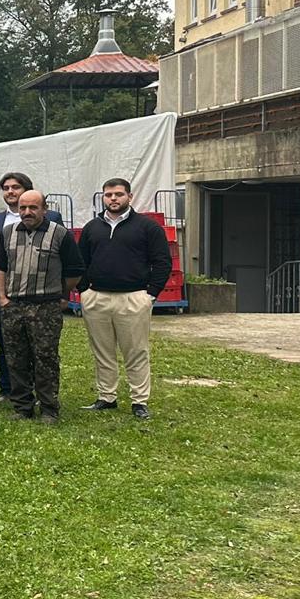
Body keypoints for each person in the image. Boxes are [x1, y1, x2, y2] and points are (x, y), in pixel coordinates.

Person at [77, 178, 171, 420]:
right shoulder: (92, 228)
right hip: (97, 298)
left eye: (118, 194)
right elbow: (81, 262)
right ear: (103, 198)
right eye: (108, 195)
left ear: (130, 196)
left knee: (136, 351)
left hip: (133, 298)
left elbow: (162, 262)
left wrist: (150, 294)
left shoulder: (147, 228)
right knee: (102, 351)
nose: (113, 199)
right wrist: (84, 290)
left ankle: (139, 401)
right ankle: (106, 397)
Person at [0, 190, 84, 423]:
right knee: (16, 358)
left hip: (46, 307)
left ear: (44, 209)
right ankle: (22, 407)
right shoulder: (7, 233)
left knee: (46, 358)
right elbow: (0, 267)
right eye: (23, 208)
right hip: (14, 306)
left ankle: (48, 408)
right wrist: (3, 298)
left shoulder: (59, 234)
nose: (27, 212)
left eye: (33, 208)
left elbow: (74, 271)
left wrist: (61, 294)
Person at [0, 172, 64, 395]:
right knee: (9, 345)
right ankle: (8, 388)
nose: (10, 191)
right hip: (8, 296)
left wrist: (61, 294)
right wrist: (1, 297)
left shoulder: (53, 218)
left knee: (42, 349)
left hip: (42, 296)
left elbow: (62, 259)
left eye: (15, 187)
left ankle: (41, 392)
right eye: (6, 188)